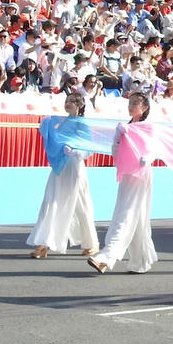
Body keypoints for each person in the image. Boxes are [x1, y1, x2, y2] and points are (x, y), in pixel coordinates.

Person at [87, 91, 158, 274]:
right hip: (127, 175)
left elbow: (154, 149)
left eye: (135, 103)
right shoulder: (125, 127)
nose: (131, 106)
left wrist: (147, 159)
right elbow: (115, 154)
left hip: (141, 175)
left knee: (127, 214)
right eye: (130, 103)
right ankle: (140, 261)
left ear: (145, 108)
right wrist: (118, 138)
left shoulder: (148, 127)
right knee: (135, 216)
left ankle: (106, 256)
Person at [27, 92, 98, 259]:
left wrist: (75, 152)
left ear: (80, 105)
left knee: (81, 206)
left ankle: (91, 243)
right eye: (67, 101)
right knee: (50, 202)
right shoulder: (62, 121)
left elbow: (89, 148)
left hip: (74, 167)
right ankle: (43, 243)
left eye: (72, 101)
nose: (68, 103)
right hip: (60, 167)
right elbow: (51, 137)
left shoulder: (82, 124)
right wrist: (47, 125)